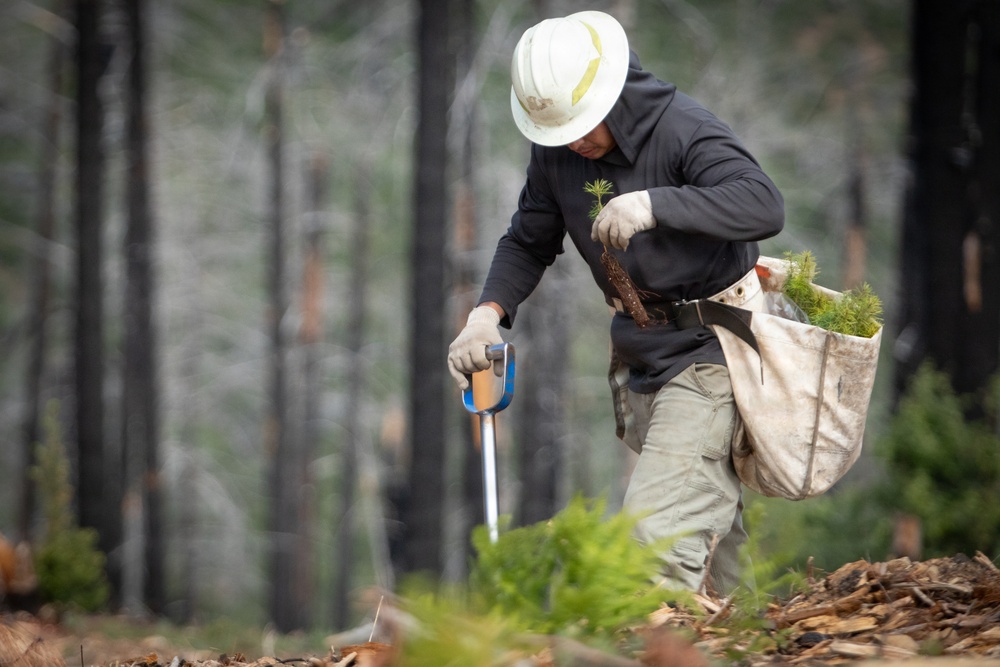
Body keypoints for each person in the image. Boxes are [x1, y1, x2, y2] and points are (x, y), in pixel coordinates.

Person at [447, 10, 784, 595]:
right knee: (712, 548)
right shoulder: (557, 153)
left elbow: (762, 202)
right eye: (558, 130)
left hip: (713, 351)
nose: (573, 141)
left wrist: (657, 205)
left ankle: (649, 639)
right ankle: (747, 635)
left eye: (580, 124)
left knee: (656, 546)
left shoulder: (682, 129)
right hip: (644, 355)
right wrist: (484, 316)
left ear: (608, 91)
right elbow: (527, 241)